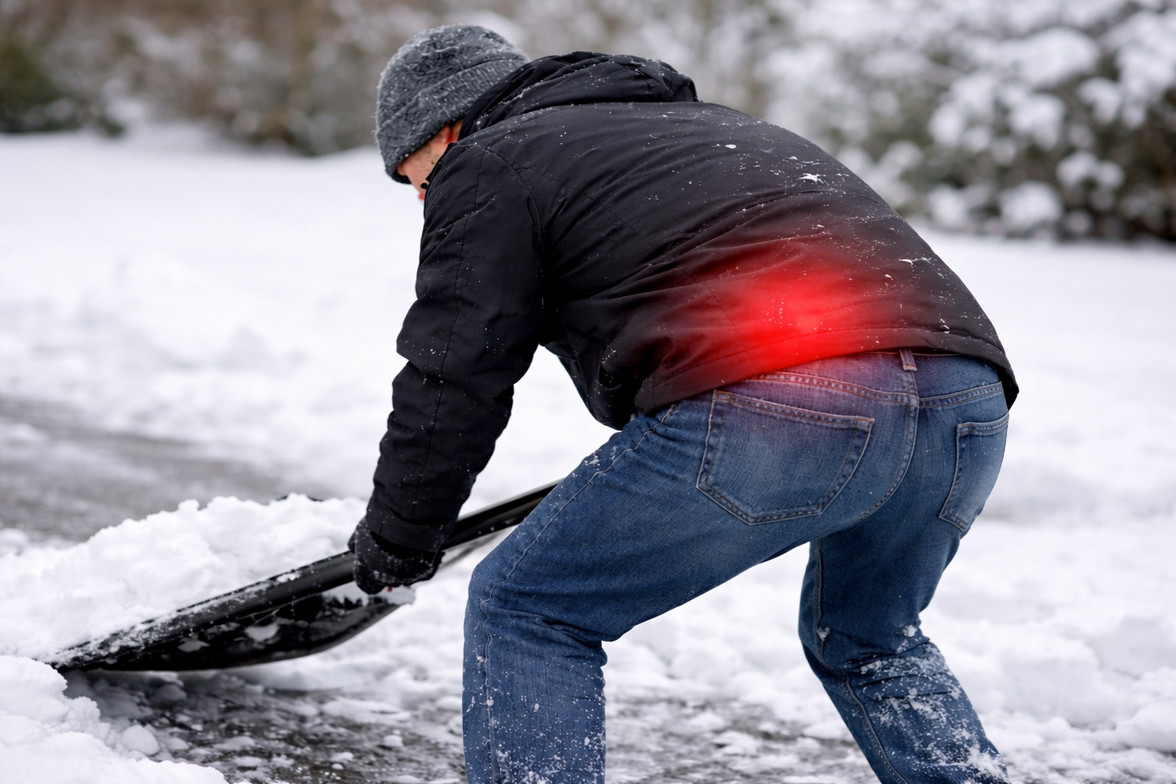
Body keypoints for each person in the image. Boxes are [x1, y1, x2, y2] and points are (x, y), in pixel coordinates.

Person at [349, 23, 1019, 784]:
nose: (424, 199)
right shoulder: (714, 128)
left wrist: (399, 538)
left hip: (787, 402)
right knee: (871, 637)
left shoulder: (491, 159)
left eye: (418, 178)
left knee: (527, 609)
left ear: (446, 127)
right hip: (965, 400)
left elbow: (456, 368)